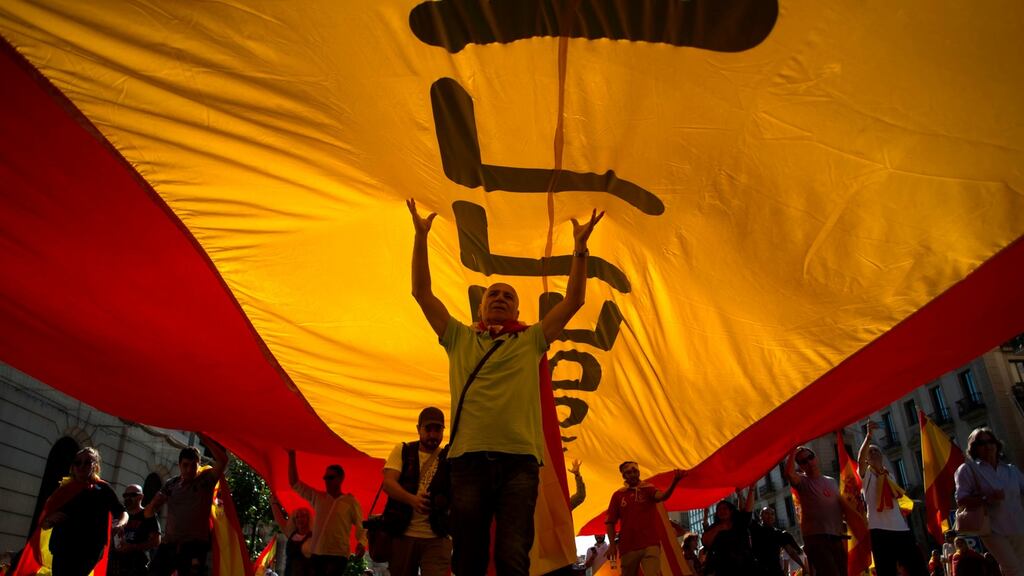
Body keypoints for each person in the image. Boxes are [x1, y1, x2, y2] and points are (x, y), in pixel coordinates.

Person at [407, 198, 604, 576]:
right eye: (492, 294)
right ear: (480, 309)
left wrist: (580, 250)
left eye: (507, 296)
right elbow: (422, 293)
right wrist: (420, 236)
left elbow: (575, 300)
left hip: (519, 464)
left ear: (516, 311)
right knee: (468, 557)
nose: (499, 298)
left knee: (514, 557)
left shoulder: (531, 340)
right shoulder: (459, 339)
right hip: (467, 462)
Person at [380, 406, 451, 576]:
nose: (433, 434)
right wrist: (412, 500)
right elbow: (388, 484)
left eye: (438, 429)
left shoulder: (449, 457)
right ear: (418, 429)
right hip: (403, 535)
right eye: (428, 429)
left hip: (437, 538)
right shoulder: (403, 450)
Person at [146, 436, 229, 576]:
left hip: (194, 548)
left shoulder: (205, 481)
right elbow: (150, 510)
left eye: (193, 465)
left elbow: (222, 460)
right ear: (179, 465)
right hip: (169, 545)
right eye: (185, 465)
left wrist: (203, 436)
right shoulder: (171, 484)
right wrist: (155, 531)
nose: (189, 469)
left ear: (199, 465)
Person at [40, 447, 128, 576]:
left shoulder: (103, 488)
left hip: (89, 549)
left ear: (95, 466)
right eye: (77, 462)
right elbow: (43, 523)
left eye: (87, 462)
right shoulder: (63, 490)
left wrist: (120, 523)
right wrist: (50, 519)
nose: (81, 466)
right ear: (73, 466)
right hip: (62, 547)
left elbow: (122, 512)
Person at [857, 421, 929, 576]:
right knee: (887, 571)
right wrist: (869, 437)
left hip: (901, 528)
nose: (874, 453)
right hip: (879, 530)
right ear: (867, 460)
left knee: (918, 568)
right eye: (870, 453)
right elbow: (860, 459)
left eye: (876, 451)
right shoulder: (867, 475)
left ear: (882, 456)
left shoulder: (890, 475)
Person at [955, 427, 1024, 576]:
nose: (987, 445)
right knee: (1013, 568)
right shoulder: (968, 470)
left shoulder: (1011, 470)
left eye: (990, 441)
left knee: (1018, 567)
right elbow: (961, 499)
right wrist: (987, 498)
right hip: (992, 529)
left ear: (996, 444)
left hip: (1019, 526)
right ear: (974, 448)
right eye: (981, 442)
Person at [288, 450, 367, 576]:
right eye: (325, 477)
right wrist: (291, 456)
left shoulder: (350, 501)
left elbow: (361, 525)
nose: (327, 480)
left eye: (331, 477)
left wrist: (362, 543)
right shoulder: (318, 497)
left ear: (341, 478)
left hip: (338, 555)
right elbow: (295, 484)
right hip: (317, 553)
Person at [605, 461, 686, 576]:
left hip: (650, 543)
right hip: (628, 546)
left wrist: (674, 482)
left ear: (638, 472)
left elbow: (662, 496)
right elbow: (610, 522)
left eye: (635, 471)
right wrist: (612, 545)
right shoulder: (618, 495)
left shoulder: (648, 488)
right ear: (623, 476)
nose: (633, 474)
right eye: (628, 472)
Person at [785, 445, 853, 576]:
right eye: (803, 461)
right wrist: (793, 449)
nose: (809, 462)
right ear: (800, 466)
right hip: (817, 539)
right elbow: (788, 473)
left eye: (810, 457)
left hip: (837, 538)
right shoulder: (802, 481)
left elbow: (839, 507)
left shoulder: (831, 481)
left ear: (815, 458)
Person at [701, 489, 757, 576]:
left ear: (731, 511)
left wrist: (751, 489)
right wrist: (718, 528)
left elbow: (747, 510)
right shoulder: (714, 527)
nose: (722, 511)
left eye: (724, 508)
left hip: (745, 568)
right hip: (723, 569)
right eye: (719, 509)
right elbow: (706, 542)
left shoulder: (740, 523)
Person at [109, 484, 160, 576]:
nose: (128, 498)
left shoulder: (147, 515)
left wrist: (132, 547)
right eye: (125, 495)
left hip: (137, 565)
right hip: (116, 564)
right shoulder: (120, 516)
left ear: (141, 497)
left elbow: (156, 541)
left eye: (132, 495)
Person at [750, 505, 805, 576]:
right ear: (761, 517)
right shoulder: (756, 529)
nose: (770, 516)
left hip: (776, 571)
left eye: (772, 514)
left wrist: (804, 567)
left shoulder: (779, 534)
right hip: (759, 571)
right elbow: (744, 513)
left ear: (774, 518)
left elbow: (791, 552)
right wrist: (740, 496)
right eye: (766, 513)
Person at [270, 496, 313, 576]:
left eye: (303, 516)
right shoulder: (291, 534)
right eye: (297, 517)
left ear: (308, 518)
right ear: (294, 520)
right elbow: (279, 519)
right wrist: (273, 503)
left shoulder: (313, 537)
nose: (300, 519)